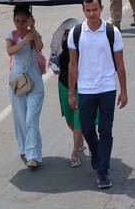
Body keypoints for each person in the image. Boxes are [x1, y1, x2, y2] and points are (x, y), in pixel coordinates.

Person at [68, 0, 127, 190]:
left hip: (107, 88)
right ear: (83, 10)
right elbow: (73, 64)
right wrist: (71, 93)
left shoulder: (112, 32)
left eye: (95, 9)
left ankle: (102, 172)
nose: (91, 13)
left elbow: (120, 63)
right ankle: (97, 154)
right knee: (86, 128)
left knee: (105, 130)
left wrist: (124, 91)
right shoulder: (76, 33)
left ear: (101, 8)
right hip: (85, 89)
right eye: (88, 10)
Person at [6, 5, 44, 169]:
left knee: (31, 119)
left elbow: (40, 47)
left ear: (29, 20)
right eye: (17, 21)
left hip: (34, 81)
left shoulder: (32, 34)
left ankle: (34, 156)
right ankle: (24, 148)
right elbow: (10, 51)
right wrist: (23, 43)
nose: (20, 24)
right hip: (17, 80)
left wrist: (33, 30)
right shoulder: (11, 35)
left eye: (23, 21)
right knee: (20, 118)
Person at [57, 24, 88, 168]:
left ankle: (75, 153)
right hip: (64, 86)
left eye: (71, 34)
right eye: (66, 34)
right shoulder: (61, 49)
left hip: (81, 89)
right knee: (69, 119)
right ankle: (80, 139)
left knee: (78, 121)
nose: (68, 36)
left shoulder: (83, 51)